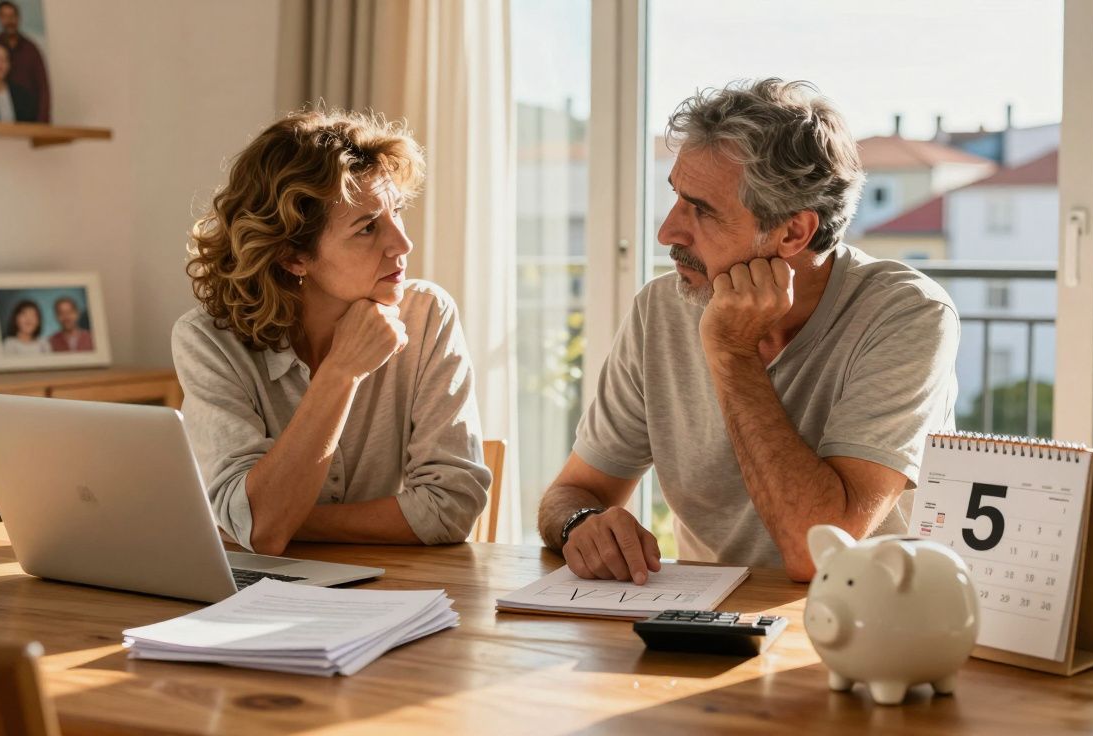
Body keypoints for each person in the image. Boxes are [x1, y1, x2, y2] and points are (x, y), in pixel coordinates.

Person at [537, 79, 959, 584]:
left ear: (792, 233)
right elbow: (571, 493)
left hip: (867, 624)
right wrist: (581, 522)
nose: (667, 232)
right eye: (676, 197)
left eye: (702, 210)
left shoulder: (908, 315)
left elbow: (820, 553)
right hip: (703, 622)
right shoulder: (663, 310)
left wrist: (732, 355)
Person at [172, 108, 490, 556]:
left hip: (400, 593)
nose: (402, 243)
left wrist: (274, 521)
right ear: (293, 257)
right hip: (258, 598)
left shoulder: (428, 316)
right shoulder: (208, 341)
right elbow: (259, 526)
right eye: (367, 228)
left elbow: (448, 509)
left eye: (396, 211)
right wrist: (342, 372)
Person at [0, 0, 50, 122]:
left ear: (18, 18)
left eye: (12, 16)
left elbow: (43, 86)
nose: (9, 21)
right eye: (5, 16)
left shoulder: (31, 49)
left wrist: (42, 120)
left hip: (28, 116)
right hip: (0, 119)